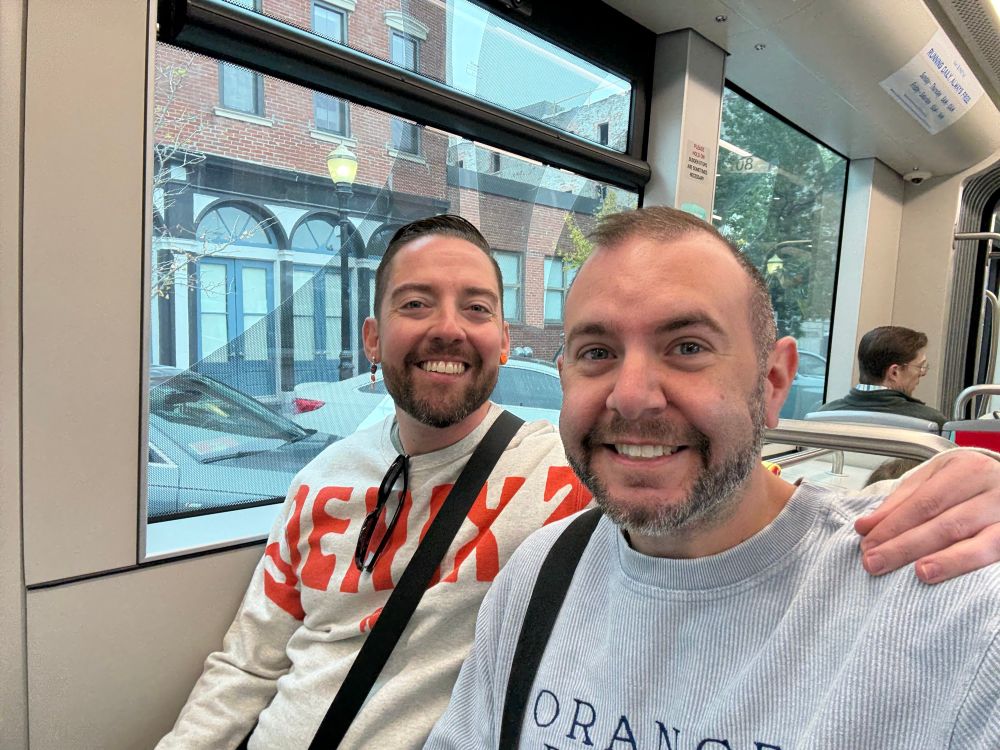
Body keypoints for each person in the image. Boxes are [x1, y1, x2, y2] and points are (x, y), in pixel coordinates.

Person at [159, 215, 1000, 750]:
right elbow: (248, 662)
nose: (632, 396)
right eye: (417, 304)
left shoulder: (562, 478)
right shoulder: (320, 483)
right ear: (373, 337)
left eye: (688, 345)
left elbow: (722, 492)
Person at [426, 207, 1000, 749]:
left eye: (688, 347)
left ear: (773, 380)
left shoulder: (949, 602)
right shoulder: (540, 573)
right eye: (597, 352)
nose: (631, 397)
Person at [818, 325, 948, 427]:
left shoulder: (822, 416)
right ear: (894, 372)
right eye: (920, 366)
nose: (923, 373)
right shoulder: (932, 424)